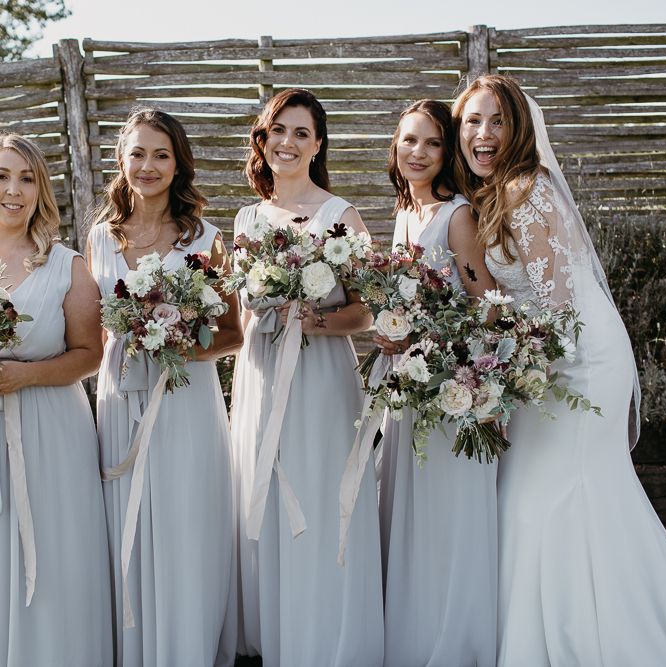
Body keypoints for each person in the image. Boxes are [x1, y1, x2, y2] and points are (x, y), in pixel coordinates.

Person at [453, 74, 666, 666]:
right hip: (548, 354)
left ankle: (585, 637)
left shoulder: (527, 190)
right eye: (472, 122)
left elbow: (558, 305)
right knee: (538, 492)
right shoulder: (500, 192)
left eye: (497, 121)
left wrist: (504, 380)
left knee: (553, 495)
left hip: (576, 360)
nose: (483, 134)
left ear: (520, 129)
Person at [232, 88, 384, 667]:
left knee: (320, 494)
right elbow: (243, 310)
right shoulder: (247, 217)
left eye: (302, 133)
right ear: (263, 139)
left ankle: (326, 631)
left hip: (319, 375)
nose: (288, 143)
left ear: (318, 144)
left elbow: (367, 312)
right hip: (262, 371)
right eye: (278, 131)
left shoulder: (340, 215)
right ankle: (278, 629)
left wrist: (313, 318)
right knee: (264, 491)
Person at [87, 108, 241, 667]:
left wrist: (172, 343)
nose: (147, 166)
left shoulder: (206, 238)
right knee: (123, 514)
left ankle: (185, 647)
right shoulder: (100, 237)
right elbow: (92, 328)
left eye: (160, 154)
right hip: (118, 396)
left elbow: (231, 335)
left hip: (184, 402)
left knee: (183, 520)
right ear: (121, 162)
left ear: (178, 164)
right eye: (137, 154)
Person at [376, 100, 499, 666]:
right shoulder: (405, 214)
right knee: (412, 510)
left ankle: (459, 639)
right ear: (395, 148)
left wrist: (435, 341)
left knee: (447, 512)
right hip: (409, 381)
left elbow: (487, 305)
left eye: (430, 143)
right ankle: (415, 631)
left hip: (449, 383)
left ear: (447, 153)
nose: (417, 153)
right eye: (408, 141)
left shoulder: (456, 216)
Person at [0, 133, 112, 665]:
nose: (13, 191)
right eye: (2, 177)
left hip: (52, 428)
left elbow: (91, 354)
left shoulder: (65, 265)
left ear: (41, 190)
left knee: (55, 552)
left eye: (26, 178)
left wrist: (26, 377)